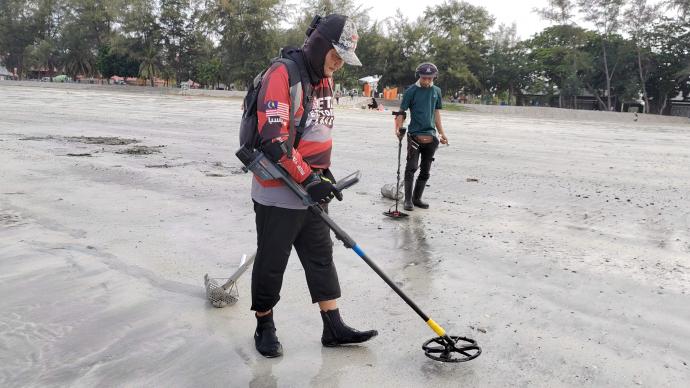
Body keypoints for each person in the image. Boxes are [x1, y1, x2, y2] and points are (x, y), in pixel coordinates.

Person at [250, 14, 377, 358]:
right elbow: (274, 139)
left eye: (343, 59)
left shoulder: (324, 77)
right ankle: (265, 324)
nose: (338, 64)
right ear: (319, 44)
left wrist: (323, 174)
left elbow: (317, 131)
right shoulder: (283, 74)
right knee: (271, 261)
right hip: (279, 189)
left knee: (321, 257)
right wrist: (307, 177)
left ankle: (333, 326)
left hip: (312, 187)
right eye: (335, 55)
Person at [393, 62, 448, 211]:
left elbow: (436, 113)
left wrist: (442, 133)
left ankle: (417, 198)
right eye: (424, 78)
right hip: (414, 135)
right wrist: (398, 129)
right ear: (419, 76)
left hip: (431, 136)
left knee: (425, 171)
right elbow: (401, 111)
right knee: (411, 168)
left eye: (430, 78)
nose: (427, 81)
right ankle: (408, 200)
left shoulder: (436, 91)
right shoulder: (411, 91)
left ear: (434, 77)